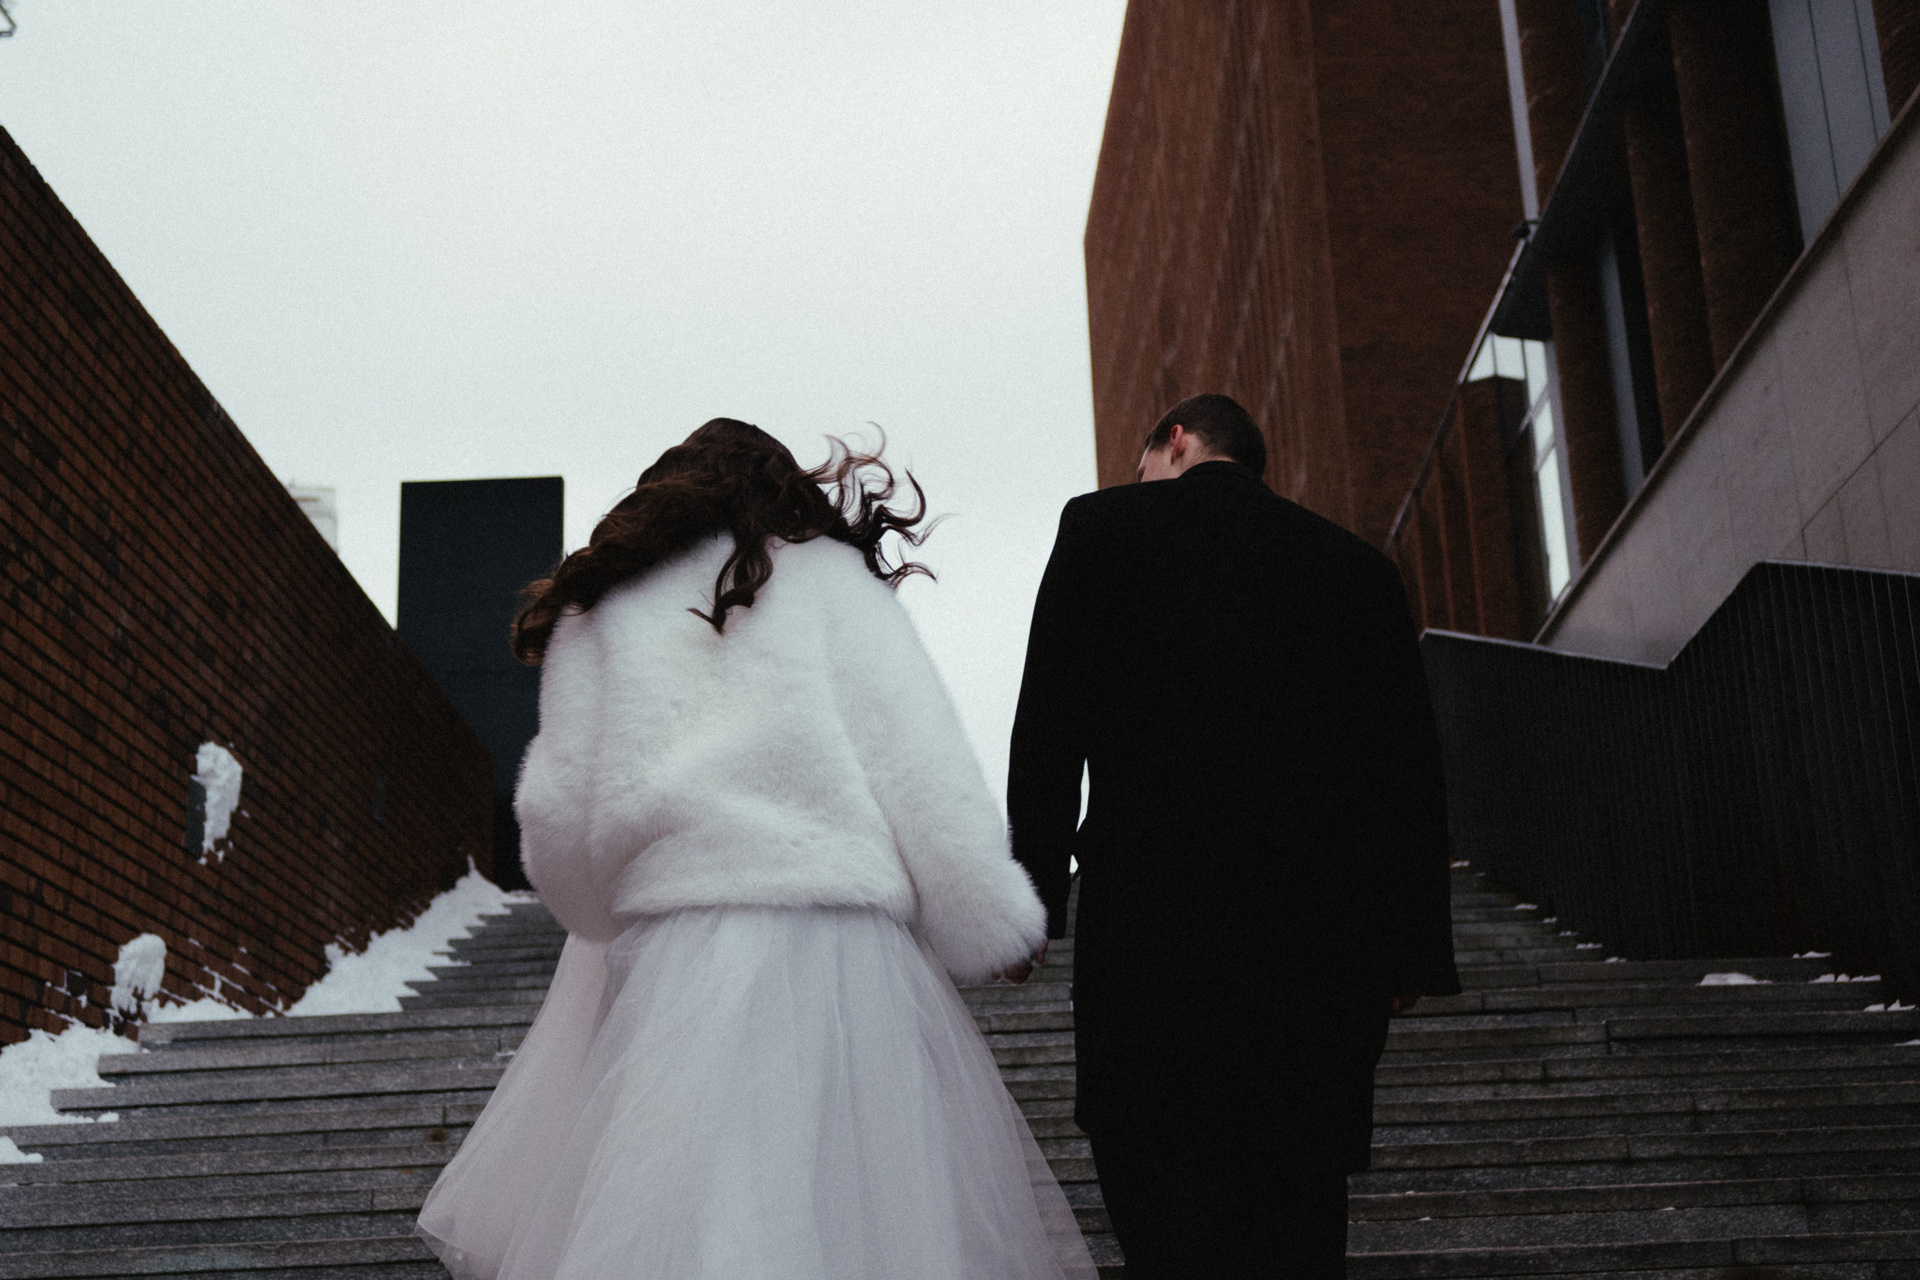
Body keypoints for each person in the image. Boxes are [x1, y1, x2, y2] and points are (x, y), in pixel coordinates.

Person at [416, 418, 1094, 1280]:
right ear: (785, 491)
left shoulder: (604, 608)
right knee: (857, 1214)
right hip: (841, 952)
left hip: (675, 947)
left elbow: (555, 811)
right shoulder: (831, 580)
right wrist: (990, 919)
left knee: (692, 1214)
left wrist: (600, 913)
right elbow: (917, 765)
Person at [1006, 393, 1461, 1279]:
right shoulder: (1355, 570)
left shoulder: (1101, 531)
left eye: (1144, 464)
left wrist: (1030, 900)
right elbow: (1404, 769)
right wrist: (1409, 947)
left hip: (1152, 942)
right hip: (1314, 957)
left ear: (1175, 442)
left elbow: (1050, 729)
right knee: (1298, 1216)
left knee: (1160, 1193)